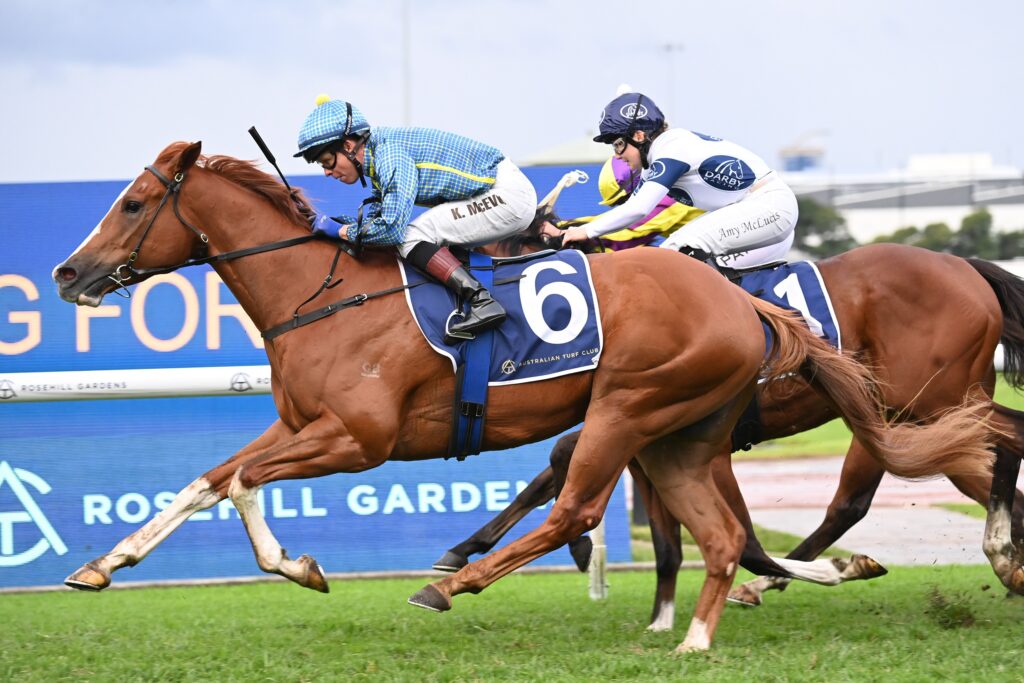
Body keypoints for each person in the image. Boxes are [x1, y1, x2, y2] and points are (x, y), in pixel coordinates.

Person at [295, 95, 538, 338]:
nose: (327, 172)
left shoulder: (390, 154)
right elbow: (376, 222)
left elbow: (391, 230)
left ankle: (482, 301)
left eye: (327, 161)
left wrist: (340, 231)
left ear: (348, 146)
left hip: (507, 195)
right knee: (423, 238)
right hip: (499, 193)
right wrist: (340, 223)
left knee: (412, 236)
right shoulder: (379, 157)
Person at [561, 91, 797, 269]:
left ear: (639, 136)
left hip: (770, 208)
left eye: (618, 144)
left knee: (671, 255)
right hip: (758, 212)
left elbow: (638, 210)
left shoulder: (671, 147)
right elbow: (632, 214)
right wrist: (574, 229)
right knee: (673, 256)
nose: (617, 155)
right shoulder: (656, 158)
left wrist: (585, 231)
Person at [542, 155, 704, 251]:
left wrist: (559, 230)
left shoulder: (669, 196)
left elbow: (626, 231)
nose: (624, 208)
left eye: (624, 202)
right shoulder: (667, 183)